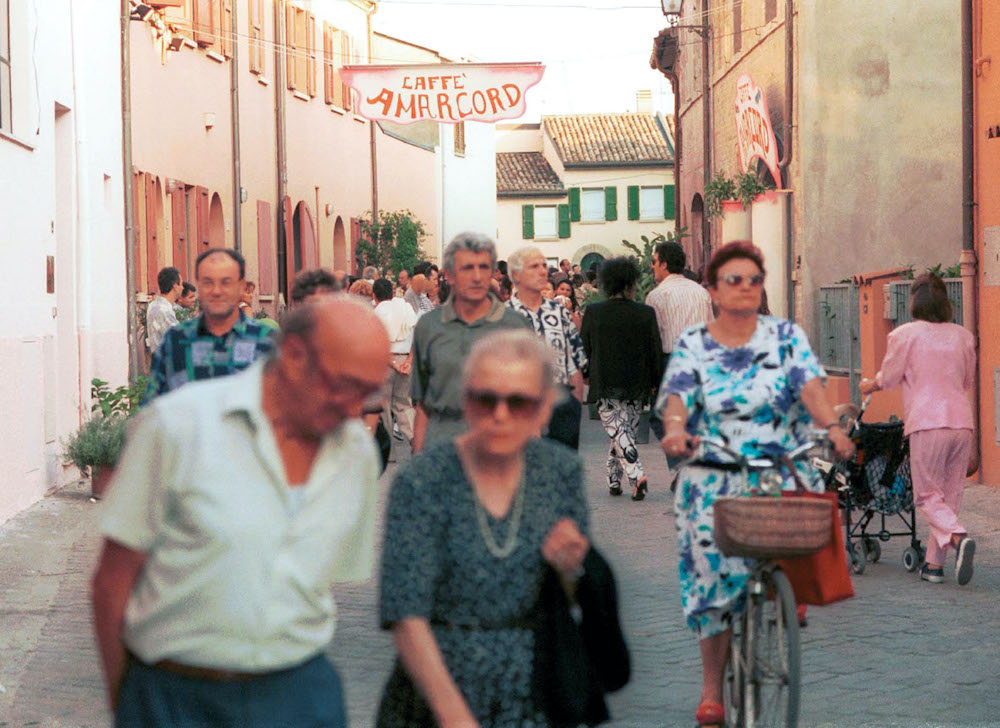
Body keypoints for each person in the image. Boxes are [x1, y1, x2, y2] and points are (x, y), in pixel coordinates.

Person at [92, 299, 390, 727]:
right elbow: (111, 584)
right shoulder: (177, 428)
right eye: (345, 386)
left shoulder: (355, 454)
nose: (353, 409)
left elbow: (325, 583)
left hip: (301, 697)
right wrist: (130, 707)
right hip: (175, 697)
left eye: (368, 392)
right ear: (292, 356)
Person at [656, 240, 854, 727]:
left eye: (752, 280)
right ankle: (711, 690)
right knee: (710, 579)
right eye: (732, 280)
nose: (743, 289)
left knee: (797, 512)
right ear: (713, 290)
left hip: (777, 467)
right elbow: (678, 397)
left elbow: (811, 387)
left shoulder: (786, 337)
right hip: (713, 472)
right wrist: (677, 430)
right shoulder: (694, 344)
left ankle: (785, 588)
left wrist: (830, 427)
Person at [376, 330, 590, 727]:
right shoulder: (423, 480)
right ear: (466, 401)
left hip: (533, 686)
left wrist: (573, 567)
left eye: (520, 402)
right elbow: (405, 611)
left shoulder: (561, 472)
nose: (501, 414)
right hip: (436, 684)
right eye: (486, 398)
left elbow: (570, 594)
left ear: (545, 408)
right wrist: (453, 714)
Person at [860, 273, 977, 585]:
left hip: (927, 422)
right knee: (949, 496)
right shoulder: (964, 336)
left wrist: (868, 385)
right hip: (961, 422)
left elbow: (889, 378)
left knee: (926, 496)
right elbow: (967, 381)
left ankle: (957, 537)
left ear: (914, 303)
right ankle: (933, 567)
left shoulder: (904, 335)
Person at [410, 232, 531, 452]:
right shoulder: (429, 326)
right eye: (467, 268)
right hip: (443, 450)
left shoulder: (516, 326)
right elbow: (422, 406)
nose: (476, 277)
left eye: (483, 268)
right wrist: (418, 466)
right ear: (450, 275)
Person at [144, 249, 276, 402]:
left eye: (226, 282)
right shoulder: (175, 342)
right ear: (198, 286)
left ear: (241, 286)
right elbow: (152, 407)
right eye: (208, 282)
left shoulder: (266, 341)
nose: (217, 291)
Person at [581, 257, 663, 501]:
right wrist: (655, 381)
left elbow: (583, 347)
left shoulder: (594, 312)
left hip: (605, 381)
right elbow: (654, 350)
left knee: (619, 432)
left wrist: (585, 376)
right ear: (630, 284)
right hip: (637, 383)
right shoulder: (645, 313)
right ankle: (629, 477)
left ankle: (624, 477)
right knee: (624, 431)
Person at [507, 246, 588, 450]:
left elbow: (575, 361)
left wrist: (575, 407)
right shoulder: (503, 317)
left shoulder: (559, 312)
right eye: (534, 266)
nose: (543, 271)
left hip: (561, 405)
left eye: (544, 265)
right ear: (516, 275)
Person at [645, 239, 715, 465]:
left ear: (664, 264)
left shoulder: (656, 296)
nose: (652, 267)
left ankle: (681, 466)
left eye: (654, 262)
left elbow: (652, 338)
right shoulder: (701, 293)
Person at [373, 278, 418, 447]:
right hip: (406, 358)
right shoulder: (406, 308)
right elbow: (416, 336)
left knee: (384, 406)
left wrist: (393, 363)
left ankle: (387, 447)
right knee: (404, 404)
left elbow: (375, 344)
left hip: (386, 362)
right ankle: (416, 440)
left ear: (374, 295)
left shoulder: (377, 312)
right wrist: (409, 360)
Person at [146, 267, 182, 353]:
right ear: (175, 286)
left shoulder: (155, 305)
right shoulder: (162, 309)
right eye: (181, 284)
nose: (182, 288)